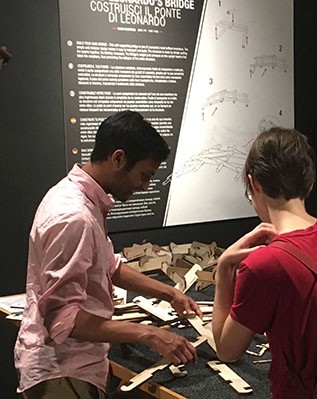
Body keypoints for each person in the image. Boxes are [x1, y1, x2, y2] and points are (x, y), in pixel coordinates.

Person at [14, 110, 203, 399]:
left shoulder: (84, 201)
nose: (144, 186)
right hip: (63, 371)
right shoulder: (73, 216)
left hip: (80, 363)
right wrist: (149, 334)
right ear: (118, 159)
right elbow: (64, 321)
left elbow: (109, 266)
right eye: (145, 175)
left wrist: (169, 293)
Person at [212, 127, 317, 398]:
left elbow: (226, 350)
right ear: (309, 182)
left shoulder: (262, 265)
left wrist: (224, 271)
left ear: (254, 183)